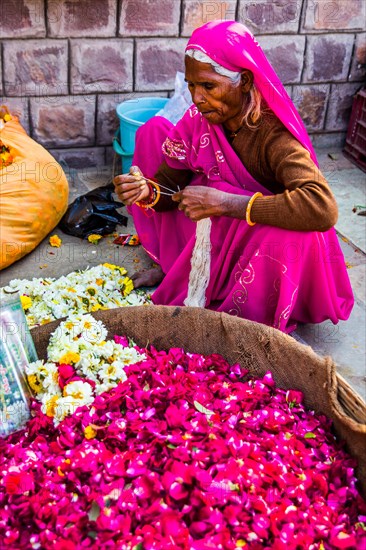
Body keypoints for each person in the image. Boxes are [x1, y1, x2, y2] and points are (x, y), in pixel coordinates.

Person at [113, 20, 354, 333]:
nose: (197, 98)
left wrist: (226, 202)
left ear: (243, 81)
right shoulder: (199, 120)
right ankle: (180, 268)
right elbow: (169, 190)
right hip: (225, 229)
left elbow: (322, 207)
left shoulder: (274, 136)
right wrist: (145, 190)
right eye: (191, 86)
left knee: (295, 234)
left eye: (209, 86)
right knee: (153, 134)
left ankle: (247, 308)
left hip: (261, 241)